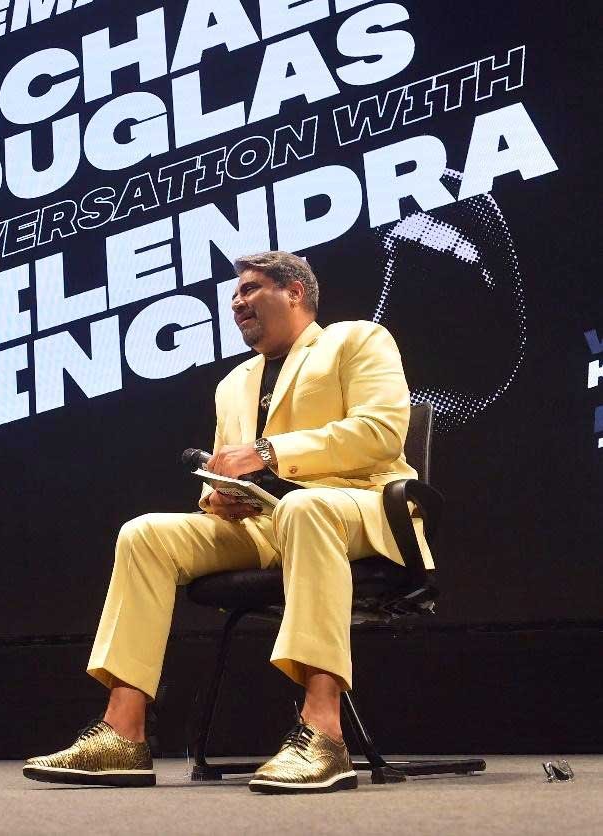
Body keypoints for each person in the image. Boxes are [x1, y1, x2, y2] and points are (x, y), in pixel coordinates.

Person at [23, 251, 431, 794]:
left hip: (354, 509)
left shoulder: (357, 340)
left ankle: (324, 734)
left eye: (251, 289)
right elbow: (229, 469)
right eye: (234, 295)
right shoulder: (234, 383)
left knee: (305, 507)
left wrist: (267, 451)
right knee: (144, 534)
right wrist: (220, 500)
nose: (236, 303)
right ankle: (123, 733)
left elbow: (379, 432)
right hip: (265, 523)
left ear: (295, 293)